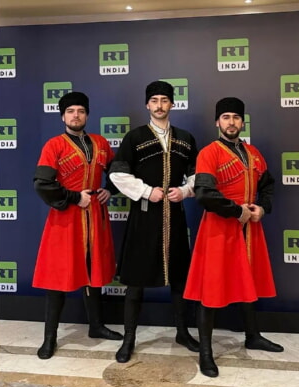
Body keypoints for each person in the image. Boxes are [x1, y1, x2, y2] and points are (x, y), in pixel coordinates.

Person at [184, 97, 284, 378]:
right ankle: (205, 352)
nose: (231, 122)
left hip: (250, 228)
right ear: (217, 122)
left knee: (248, 280)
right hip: (218, 229)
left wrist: (262, 208)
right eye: (226, 117)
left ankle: (253, 336)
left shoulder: (253, 153)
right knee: (211, 290)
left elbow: (268, 185)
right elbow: (205, 194)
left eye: (236, 117)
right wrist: (237, 211)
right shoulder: (209, 153)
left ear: (242, 122)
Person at [108, 80, 200, 363]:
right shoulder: (134, 137)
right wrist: (148, 191)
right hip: (144, 217)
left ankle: (182, 332)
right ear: (147, 104)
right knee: (135, 281)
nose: (160, 106)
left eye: (164, 100)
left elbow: (198, 175)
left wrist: (184, 191)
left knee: (179, 279)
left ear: (172, 104)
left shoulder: (185, 138)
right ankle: (129, 339)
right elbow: (117, 174)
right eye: (155, 100)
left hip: (176, 217)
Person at [32, 91, 124, 360]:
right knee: (58, 277)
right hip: (65, 220)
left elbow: (119, 171)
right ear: (63, 116)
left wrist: (110, 190)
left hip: (95, 217)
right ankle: (50, 338)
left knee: (94, 271)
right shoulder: (54, 146)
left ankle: (95, 326)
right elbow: (42, 184)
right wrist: (74, 197)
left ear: (87, 115)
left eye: (81, 111)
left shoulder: (100, 143)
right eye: (71, 111)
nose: (76, 115)